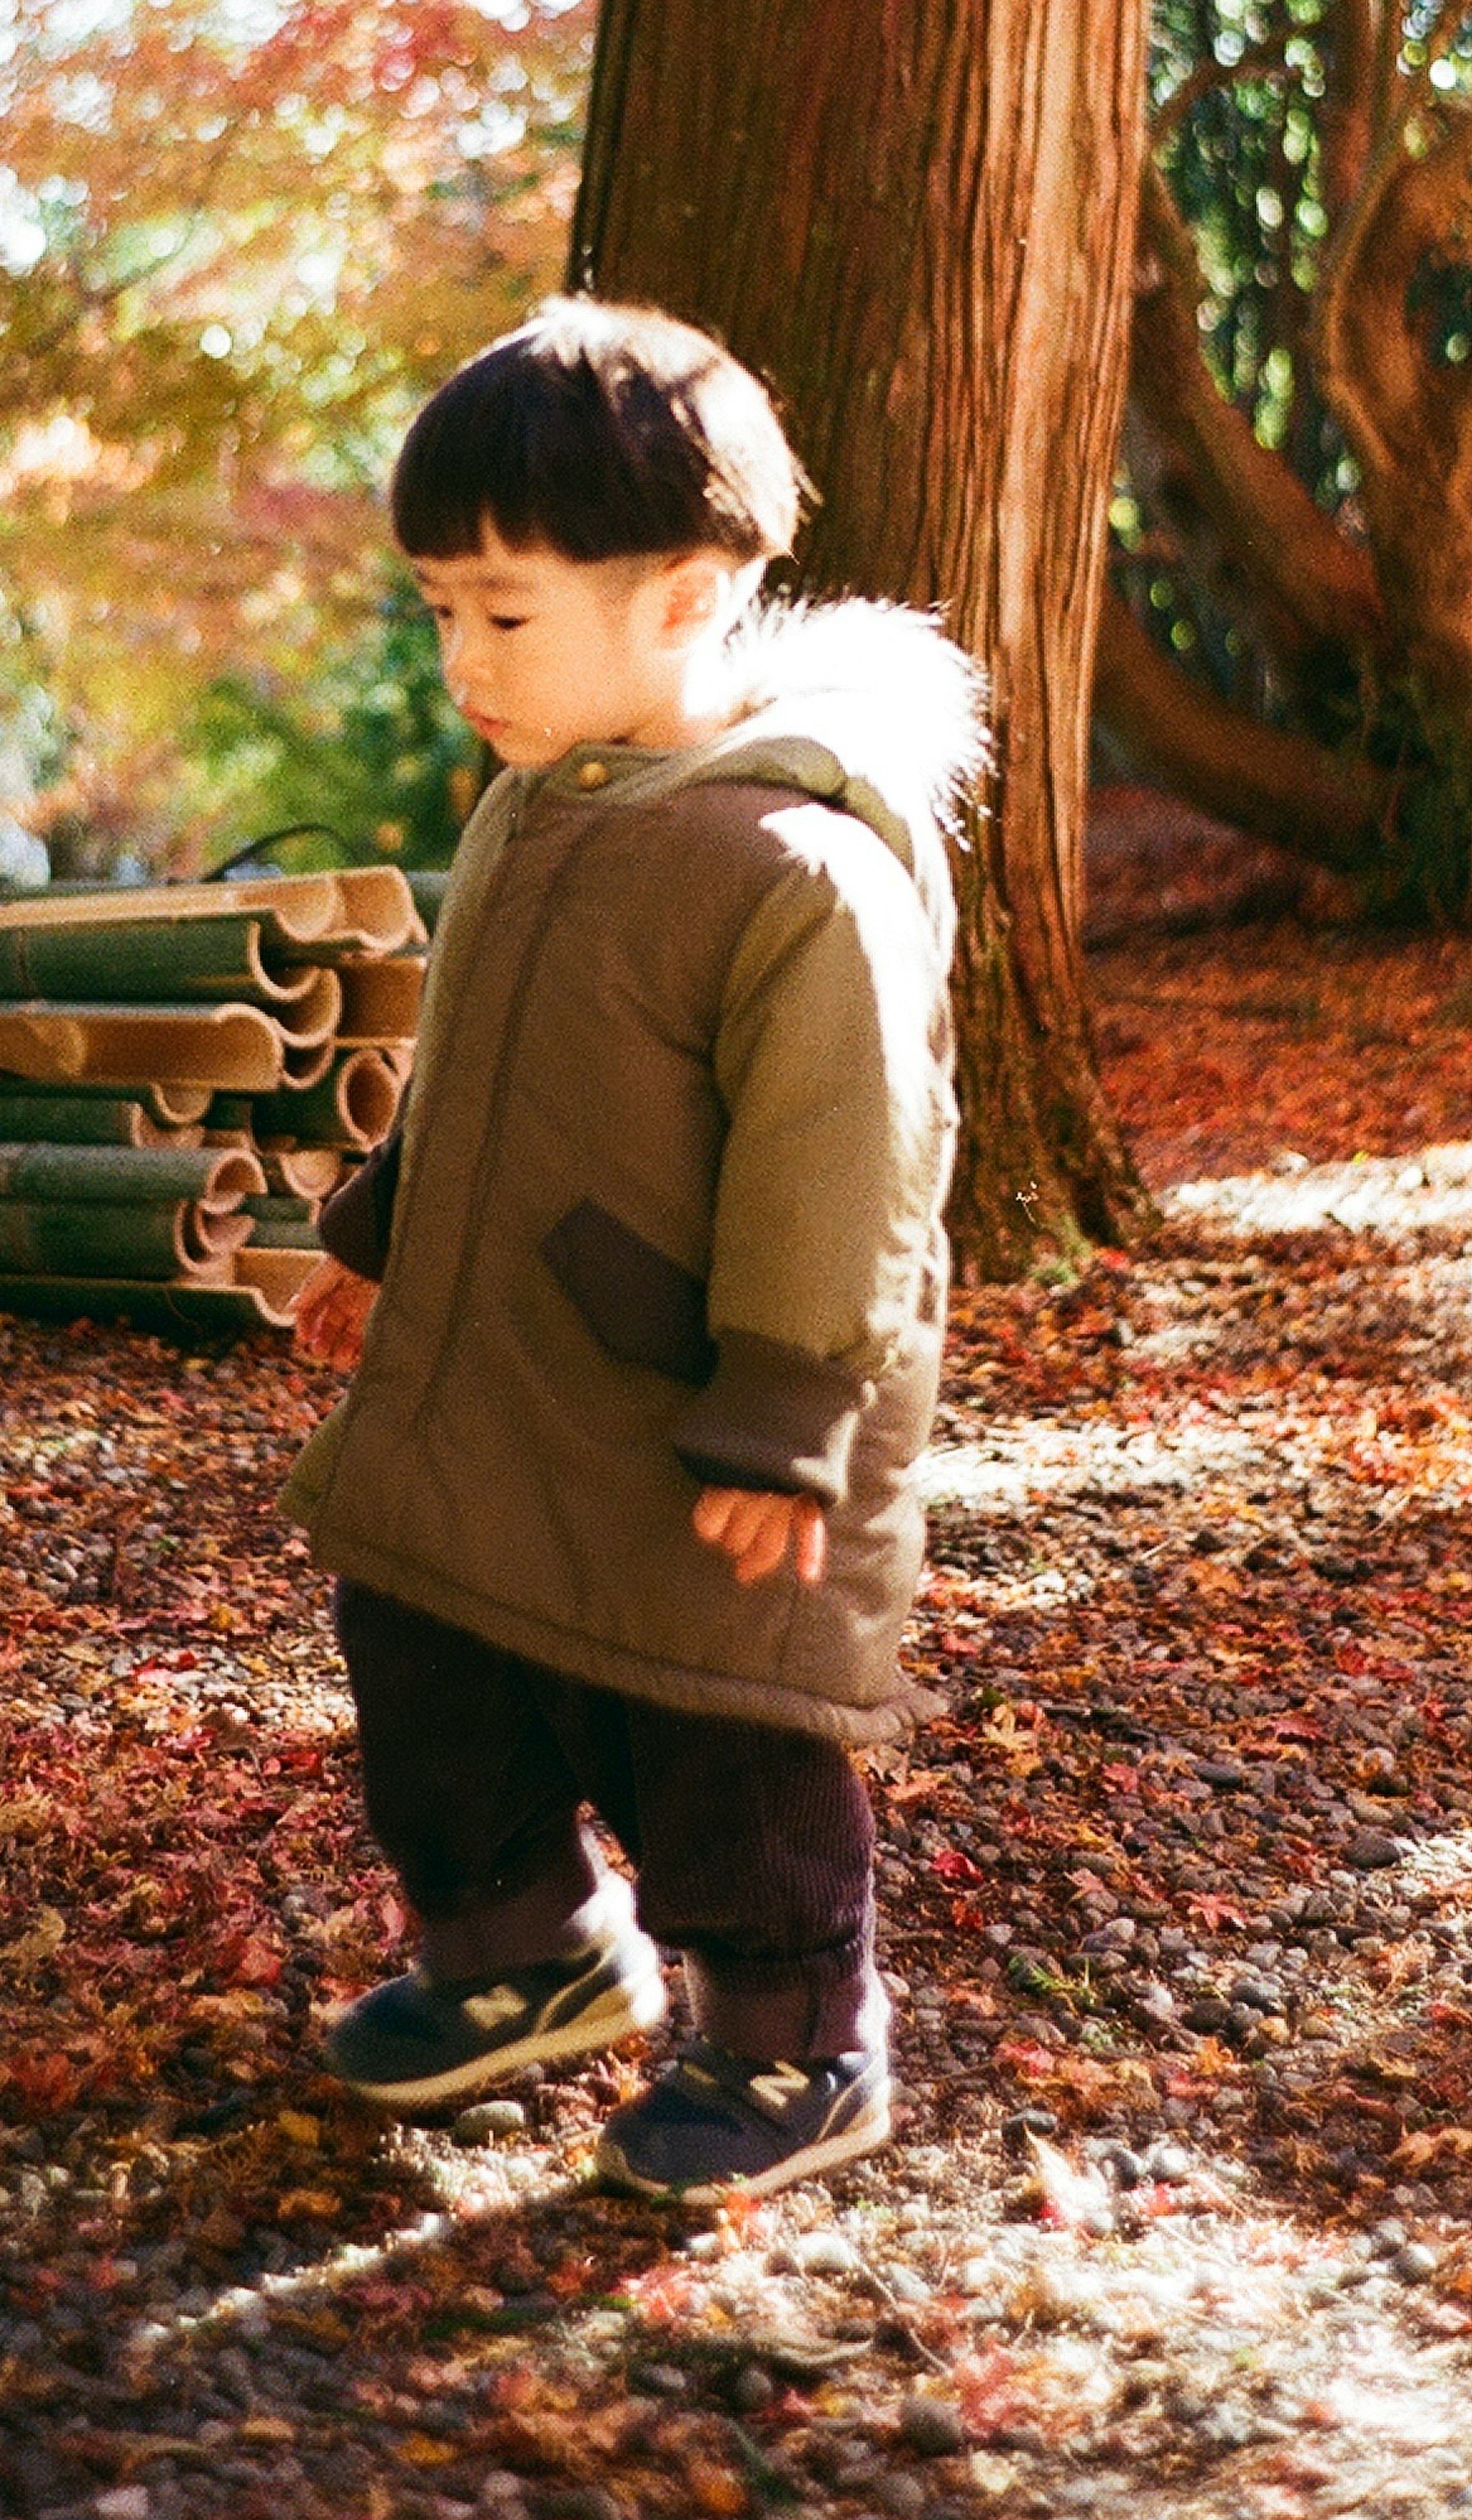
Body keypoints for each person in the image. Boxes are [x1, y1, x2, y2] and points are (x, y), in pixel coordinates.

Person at [282, 295, 984, 2200]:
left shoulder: (795, 866)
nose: (460, 659)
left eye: (502, 613)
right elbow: (475, 1068)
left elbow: (851, 1160)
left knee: (723, 1730)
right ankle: (520, 1947)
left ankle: (790, 2040)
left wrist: (782, 1408)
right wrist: (377, 1228)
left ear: (683, 595)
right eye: (437, 609)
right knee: (422, 1630)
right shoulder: (533, 810)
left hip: (701, 1411)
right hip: (496, 1366)